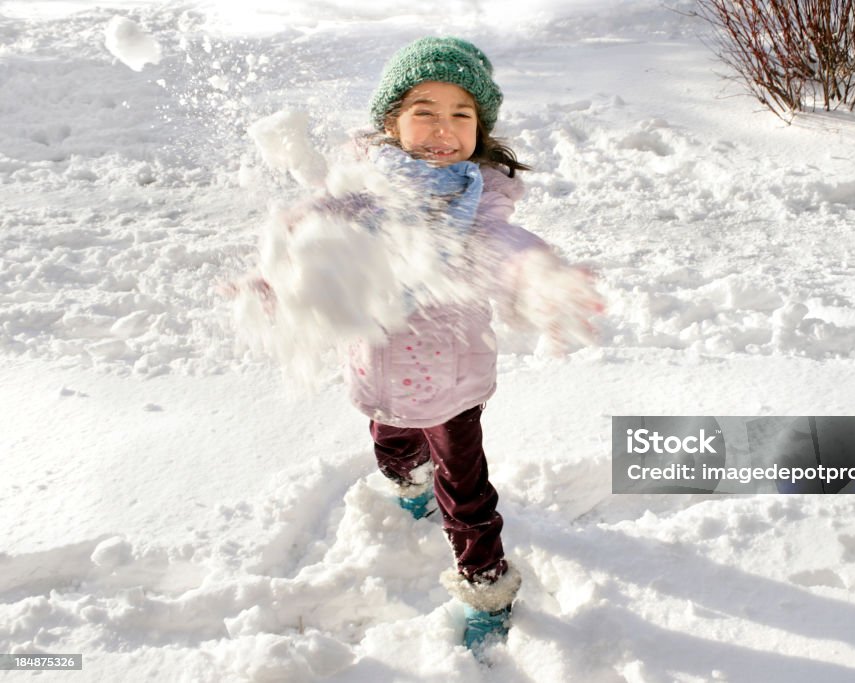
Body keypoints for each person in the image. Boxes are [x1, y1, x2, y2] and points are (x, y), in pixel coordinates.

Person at [241, 36, 602, 652]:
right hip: (374, 375)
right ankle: (407, 489)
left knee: (466, 494)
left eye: (462, 115)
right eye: (425, 111)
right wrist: (276, 282)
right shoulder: (359, 191)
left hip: (452, 386)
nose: (444, 129)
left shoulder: (478, 202)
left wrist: (540, 278)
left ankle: (484, 582)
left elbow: (505, 250)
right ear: (392, 122)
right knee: (391, 446)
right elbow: (307, 241)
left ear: (480, 129)